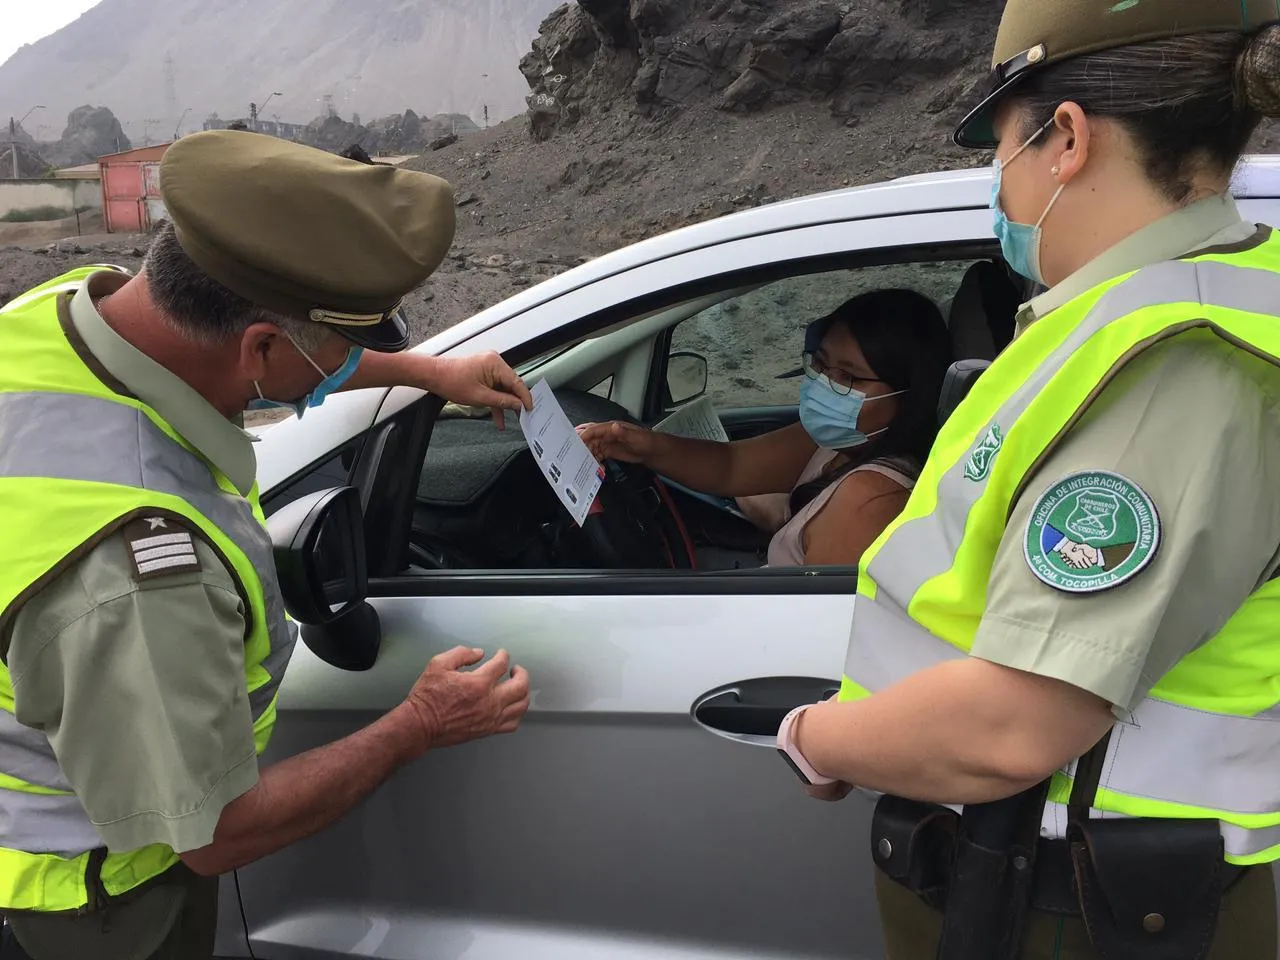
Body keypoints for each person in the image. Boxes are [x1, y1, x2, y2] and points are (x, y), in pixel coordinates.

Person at [771, 3, 1280, 959]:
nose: (998, 185)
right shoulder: (1134, 318)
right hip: (1057, 885)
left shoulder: (1174, 363)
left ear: (1068, 138)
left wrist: (819, 737)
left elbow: (1016, 723)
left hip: (1079, 910)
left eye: (1001, 144)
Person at [0, 130, 535, 960]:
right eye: (335, 352)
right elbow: (213, 835)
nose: (343, 366)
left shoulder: (68, 315)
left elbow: (275, 345)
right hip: (97, 900)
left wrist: (424, 372)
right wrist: (420, 722)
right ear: (258, 348)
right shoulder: (138, 579)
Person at [578, 289, 952, 567]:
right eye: (820, 365)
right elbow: (732, 466)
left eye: (848, 377)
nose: (824, 384)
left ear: (908, 396)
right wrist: (642, 446)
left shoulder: (871, 498)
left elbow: (809, 628)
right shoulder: (841, 442)